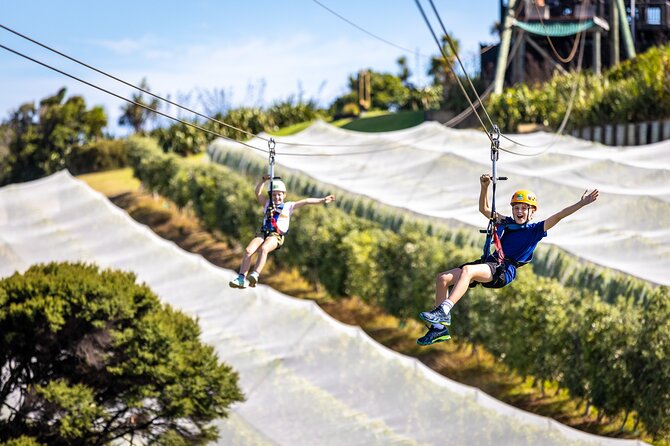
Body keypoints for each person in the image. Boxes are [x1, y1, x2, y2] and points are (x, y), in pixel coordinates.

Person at [416, 173, 599, 346]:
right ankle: (438, 329)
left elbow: (559, 215)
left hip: (503, 270)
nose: (519, 211)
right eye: (516, 207)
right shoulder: (506, 222)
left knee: (468, 271)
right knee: (443, 279)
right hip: (490, 262)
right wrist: (484, 187)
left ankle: (444, 310)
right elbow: (484, 209)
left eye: (524, 208)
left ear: (532, 212)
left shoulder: (534, 230)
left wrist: (581, 204)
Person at [229, 174, 336, 289]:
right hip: (264, 233)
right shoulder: (267, 204)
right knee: (248, 250)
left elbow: (306, 201)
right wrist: (263, 181)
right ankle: (241, 278)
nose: (277, 197)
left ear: (284, 195)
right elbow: (257, 193)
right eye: (274, 195)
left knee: (264, 249)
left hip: (277, 235)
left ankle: (255, 274)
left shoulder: (288, 206)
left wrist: (323, 200)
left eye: (279, 195)